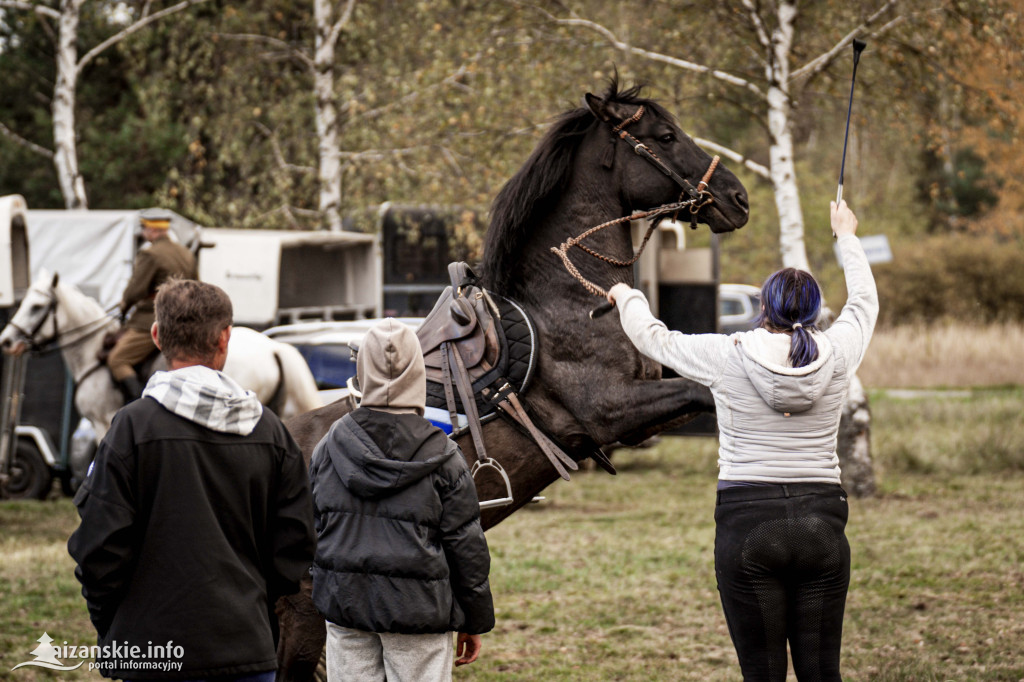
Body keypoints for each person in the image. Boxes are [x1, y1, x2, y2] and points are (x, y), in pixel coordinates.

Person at [607, 200, 877, 681]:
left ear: (762, 306)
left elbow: (655, 339)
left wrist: (626, 295)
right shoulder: (839, 352)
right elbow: (864, 302)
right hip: (822, 526)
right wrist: (846, 236)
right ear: (815, 311)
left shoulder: (726, 353)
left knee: (762, 674)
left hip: (747, 526)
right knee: (822, 674)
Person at [68, 278, 315, 681]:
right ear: (225, 338)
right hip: (246, 648)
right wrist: (252, 605)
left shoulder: (130, 428)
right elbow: (295, 547)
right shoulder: (271, 432)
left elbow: (98, 546)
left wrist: (112, 624)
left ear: (156, 335)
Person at [309, 318, 494, 682]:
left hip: (347, 607)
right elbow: (465, 547)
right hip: (419, 613)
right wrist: (475, 619)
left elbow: (316, 528)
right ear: (418, 371)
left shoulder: (328, 447)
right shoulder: (446, 456)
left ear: (362, 368)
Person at [108, 213, 198, 402]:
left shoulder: (150, 254)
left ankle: (139, 403)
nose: (143, 233)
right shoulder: (186, 253)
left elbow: (135, 291)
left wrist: (123, 309)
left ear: (153, 230)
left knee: (117, 360)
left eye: (144, 229)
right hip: (183, 320)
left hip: (152, 319)